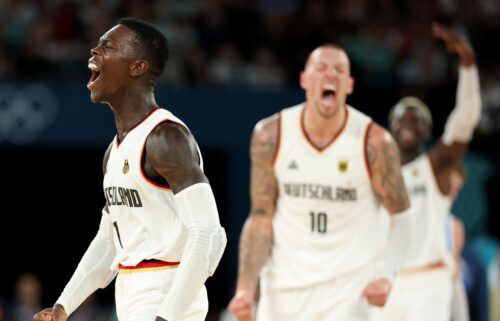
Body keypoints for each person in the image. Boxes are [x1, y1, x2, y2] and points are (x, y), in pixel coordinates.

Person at [33, 17, 226, 321]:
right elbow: (109, 240)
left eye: (107, 46)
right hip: (130, 288)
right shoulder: (115, 149)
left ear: (137, 67)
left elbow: (208, 234)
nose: (94, 51)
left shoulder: (167, 137)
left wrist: (168, 315)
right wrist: (63, 306)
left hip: (167, 289)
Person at [228, 44, 412, 321]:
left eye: (340, 70)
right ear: (304, 79)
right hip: (283, 288)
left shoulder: (374, 142)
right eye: (321, 68)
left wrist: (388, 275)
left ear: (349, 85)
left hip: (349, 290)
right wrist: (245, 288)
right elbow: (261, 215)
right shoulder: (271, 135)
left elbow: (402, 215)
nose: (331, 75)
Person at [382, 23, 481, 321]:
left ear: (426, 130)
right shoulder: (376, 176)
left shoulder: (434, 167)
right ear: (392, 128)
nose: (409, 122)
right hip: (385, 284)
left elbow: (464, 120)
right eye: (402, 118)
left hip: (427, 284)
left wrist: (467, 61)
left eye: (417, 120)